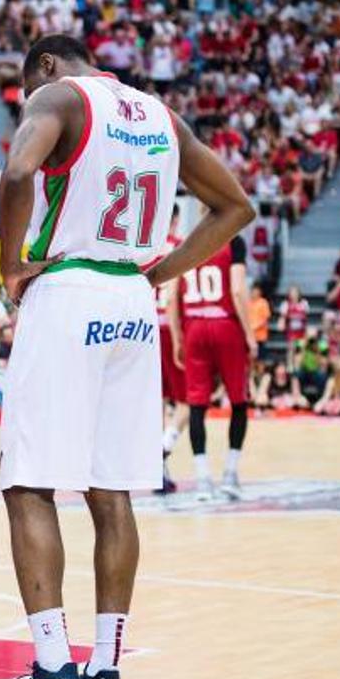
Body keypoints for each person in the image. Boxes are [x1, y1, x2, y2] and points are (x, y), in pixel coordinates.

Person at [0, 34, 254, 679]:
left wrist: (9, 263)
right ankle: (105, 675)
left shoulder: (58, 95)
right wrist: (162, 271)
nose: (28, 106)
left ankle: (52, 671)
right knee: (112, 492)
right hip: (132, 304)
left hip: (69, 289)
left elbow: (18, 174)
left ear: (45, 65)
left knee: (27, 481)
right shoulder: (163, 117)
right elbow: (234, 207)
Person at [168, 234, 255, 501]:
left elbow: (172, 298)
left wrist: (176, 339)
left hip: (194, 327)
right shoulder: (233, 242)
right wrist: (250, 335)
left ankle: (203, 479)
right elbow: (238, 290)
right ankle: (229, 475)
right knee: (239, 402)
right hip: (225, 325)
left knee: (197, 405)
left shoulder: (187, 243)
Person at [154, 206, 188, 494]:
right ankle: (165, 447)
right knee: (188, 400)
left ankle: (158, 469)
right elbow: (177, 297)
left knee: (158, 403)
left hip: (145, 329)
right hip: (170, 327)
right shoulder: (180, 247)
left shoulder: (145, 248)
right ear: (175, 220)